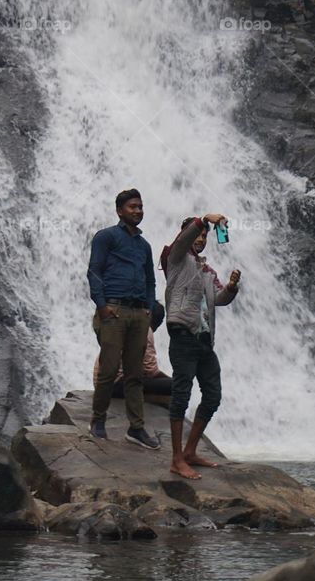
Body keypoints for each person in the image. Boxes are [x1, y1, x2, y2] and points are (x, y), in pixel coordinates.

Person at [162, 214, 241, 480]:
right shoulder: (175, 259)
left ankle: (190, 451)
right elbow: (181, 242)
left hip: (205, 341)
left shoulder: (208, 272)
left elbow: (219, 298)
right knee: (181, 396)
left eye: (205, 236)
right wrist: (204, 219)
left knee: (213, 396)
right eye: (197, 234)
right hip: (183, 335)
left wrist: (230, 288)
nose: (201, 238)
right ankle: (175, 459)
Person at [86, 187, 159, 449]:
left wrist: (149, 308)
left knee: (135, 374)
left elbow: (150, 279)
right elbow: (94, 272)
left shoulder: (145, 246)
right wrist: (103, 306)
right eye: (132, 207)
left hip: (139, 313)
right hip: (114, 310)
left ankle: (136, 428)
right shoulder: (106, 237)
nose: (138, 211)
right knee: (108, 369)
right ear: (120, 210)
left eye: (140, 207)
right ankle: (97, 421)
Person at [93, 301, 173, 400]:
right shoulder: (145, 330)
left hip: (101, 382)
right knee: (174, 386)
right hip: (115, 385)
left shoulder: (128, 323)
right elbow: (151, 371)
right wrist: (171, 380)